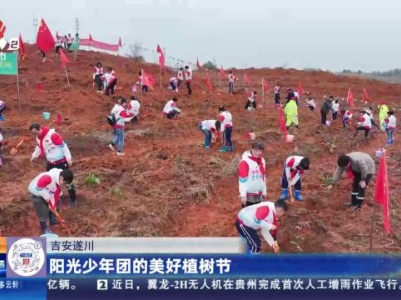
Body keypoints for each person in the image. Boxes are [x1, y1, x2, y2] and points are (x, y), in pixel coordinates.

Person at [30, 123, 76, 206]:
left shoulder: (52, 135)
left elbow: (63, 146)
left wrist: (68, 158)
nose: (36, 135)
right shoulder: (38, 138)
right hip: (50, 163)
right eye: (34, 134)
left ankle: (73, 199)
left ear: (41, 128)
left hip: (61, 162)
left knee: (68, 181)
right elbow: (39, 147)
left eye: (37, 132)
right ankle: (55, 200)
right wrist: (34, 155)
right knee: (51, 182)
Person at [28, 168, 74, 234]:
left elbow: (55, 196)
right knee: (42, 210)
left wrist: (53, 205)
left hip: (47, 191)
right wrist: (46, 196)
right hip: (36, 193)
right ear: (61, 178)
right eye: (64, 182)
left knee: (53, 207)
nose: (63, 184)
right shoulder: (48, 177)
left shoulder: (58, 183)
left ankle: (52, 220)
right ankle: (44, 227)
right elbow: (39, 187)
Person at [238, 142, 266, 207]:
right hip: (249, 195)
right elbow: (242, 180)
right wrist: (243, 195)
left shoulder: (262, 161)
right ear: (252, 149)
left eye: (260, 151)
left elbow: (263, 177)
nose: (258, 153)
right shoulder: (245, 162)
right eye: (256, 150)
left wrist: (264, 191)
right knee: (248, 214)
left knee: (258, 213)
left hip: (259, 192)